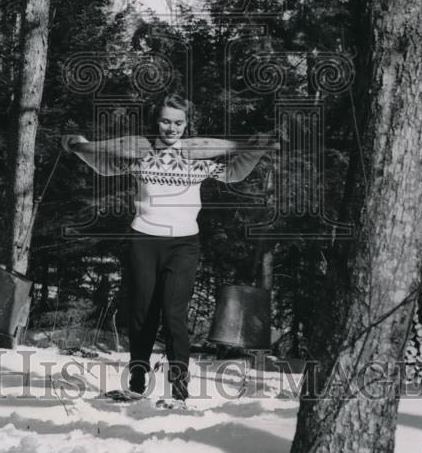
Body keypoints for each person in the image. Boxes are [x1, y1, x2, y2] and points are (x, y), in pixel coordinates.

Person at [61, 93, 276, 409]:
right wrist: (79, 145)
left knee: (174, 313)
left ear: (187, 124)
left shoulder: (197, 157)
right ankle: (136, 384)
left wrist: (256, 150)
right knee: (142, 314)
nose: (171, 128)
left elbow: (232, 172)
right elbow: (106, 166)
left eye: (178, 122)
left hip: (184, 244)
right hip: (143, 240)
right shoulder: (140, 154)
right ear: (156, 121)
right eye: (165, 120)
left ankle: (179, 392)